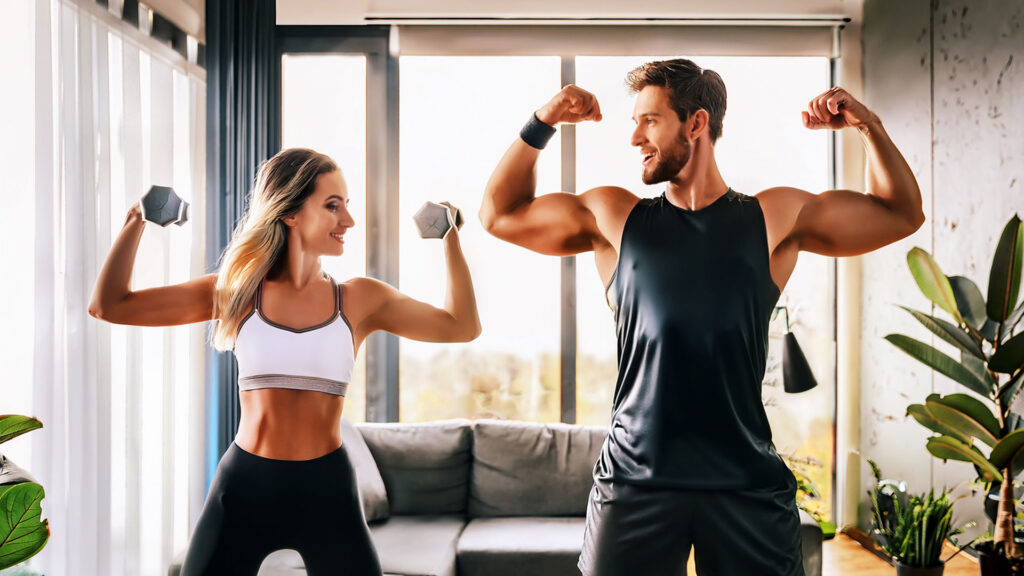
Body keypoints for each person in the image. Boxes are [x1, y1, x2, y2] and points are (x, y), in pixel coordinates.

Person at [479, 59, 923, 576]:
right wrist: (545, 118)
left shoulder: (772, 217)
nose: (634, 138)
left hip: (744, 482)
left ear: (696, 123)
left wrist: (867, 125)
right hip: (634, 483)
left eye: (649, 120)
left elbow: (900, 213)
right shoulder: (616, 218)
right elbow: (500, 214)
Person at [89, 147, 481, 576]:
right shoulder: (235, 293)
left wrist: (451, 241)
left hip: (327, 490)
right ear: (290, 212)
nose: (348, 220)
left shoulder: (360, 299)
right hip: (244, 486)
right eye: (333, 206)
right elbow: (109, 306)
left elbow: (461, 326)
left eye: (347, 206)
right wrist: (135, 220)